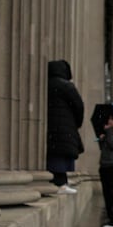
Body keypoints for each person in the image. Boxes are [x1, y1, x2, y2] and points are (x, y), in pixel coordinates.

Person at [46, 59, 84, 192]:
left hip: (51, 128)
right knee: (62, 155)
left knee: (55, 154)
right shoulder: (67, 86)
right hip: (65, 128)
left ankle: (59, 181)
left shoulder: (46, 85)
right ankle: (61, 183)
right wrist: (76, 123)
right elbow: (79, 106)